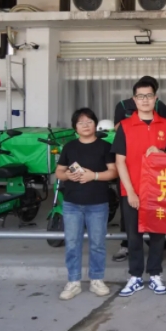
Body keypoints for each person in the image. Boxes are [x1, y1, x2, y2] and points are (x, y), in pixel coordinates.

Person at [111, 78, 166, 297]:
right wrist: (130, 191)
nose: (145, 100)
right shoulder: (125, 126)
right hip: (132, 190)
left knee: (158, 234)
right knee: (134, 235)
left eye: (149, 96)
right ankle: (135, 276)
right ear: (134, 100)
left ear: (155, 98)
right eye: (140, 96)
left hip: (159, 191)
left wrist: (162, 153)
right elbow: (120, 161)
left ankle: (155, 274)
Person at [56, 108, 118, 300]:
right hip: (72, 204)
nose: (85, 125)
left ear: (95, 125)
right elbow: (59, 172)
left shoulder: (105, 147)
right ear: (75, 127)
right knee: (72, 244)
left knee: (97, 244)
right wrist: (68, 175)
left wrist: (94, 176)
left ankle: (96, 280)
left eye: (89, 121)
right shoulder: (69, 147)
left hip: (98, 203)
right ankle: (73, 281)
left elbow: (114, 172)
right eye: (81, 122)